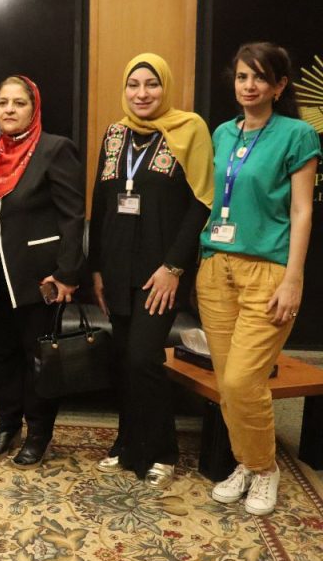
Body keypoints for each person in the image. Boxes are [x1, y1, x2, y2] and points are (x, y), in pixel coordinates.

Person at [198, 42, 319, 516]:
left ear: (279, 85)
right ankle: (247, 462)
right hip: (217, 268)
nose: (249, 86)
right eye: (242, 76)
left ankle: (264, 469)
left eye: (260, 77)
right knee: (227, 384)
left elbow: (302, 210)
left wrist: (293, 279)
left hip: (268, 272)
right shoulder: (223, 133)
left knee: (242, 380)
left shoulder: (297, 135)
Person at [89, 53, 214, 488]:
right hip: (117, 266)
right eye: (134, 85)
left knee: (144, 357)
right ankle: (127, 443)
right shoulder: (115, 133)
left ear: (166, 86)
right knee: (125, 358)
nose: (142, 93)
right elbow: (100, 201)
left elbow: (202, 203)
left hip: (161, 271)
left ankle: (162, 451)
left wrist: (175, 267)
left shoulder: (190, 129)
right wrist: (97, 269)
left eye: (151, 84)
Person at [0, 75, 85, 467]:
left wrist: (66, 274)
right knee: (2, 354)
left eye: (19, 103)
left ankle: (38, 434)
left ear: (34, 108)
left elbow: (72, 217)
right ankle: (7, 424)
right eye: (2, 103)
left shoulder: (55, 149)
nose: (9, 110)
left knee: (38, 359)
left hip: (40, 278)